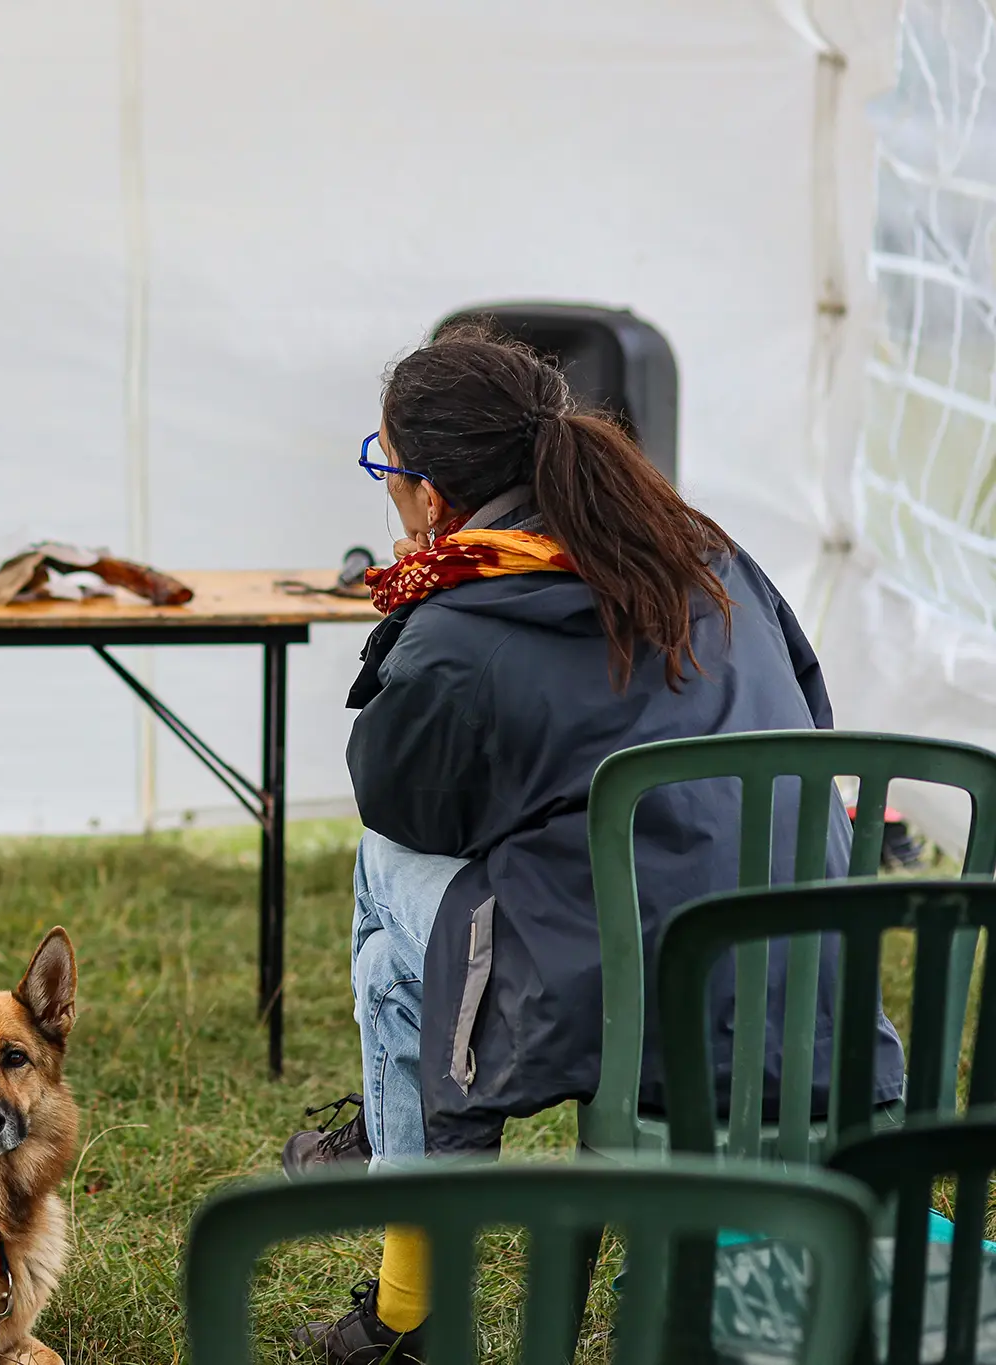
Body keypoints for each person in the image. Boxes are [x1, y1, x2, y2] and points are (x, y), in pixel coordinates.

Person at [280, 331, 905, 1362]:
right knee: (409, 954)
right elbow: (805, 712)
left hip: (638, 1004)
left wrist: (418, 602)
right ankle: (395, 1248)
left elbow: (402, 804)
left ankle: (404, 1296)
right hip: (800, 960)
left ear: (428, 497)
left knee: (384, 887)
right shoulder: (706, 550)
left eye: (383, 468)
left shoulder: (461, 626)